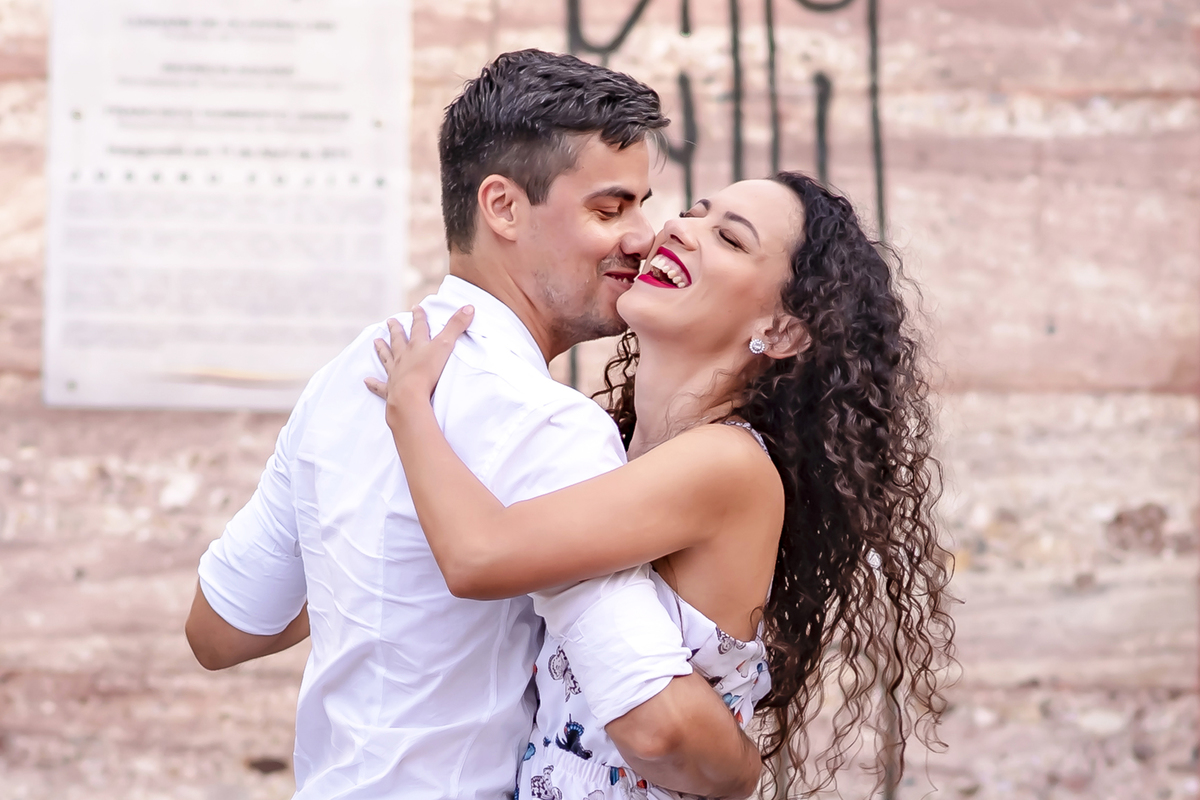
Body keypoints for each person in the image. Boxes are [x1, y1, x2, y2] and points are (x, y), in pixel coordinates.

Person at [185, 50, 762, 799]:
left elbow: (219, 631)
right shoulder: (551, 427)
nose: (643, 236)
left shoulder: (353, 371)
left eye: (643, 205)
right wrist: (749, 771)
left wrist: (371, 569)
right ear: (503, 207)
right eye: (609, 208)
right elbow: (657, 728)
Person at [366, 172, 956, 798]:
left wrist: (409, 408)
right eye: (696, 212)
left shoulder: (726, 465)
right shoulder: (624, 456)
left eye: (729, 238)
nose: (680, 227)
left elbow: (478, 555)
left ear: (781, 331)